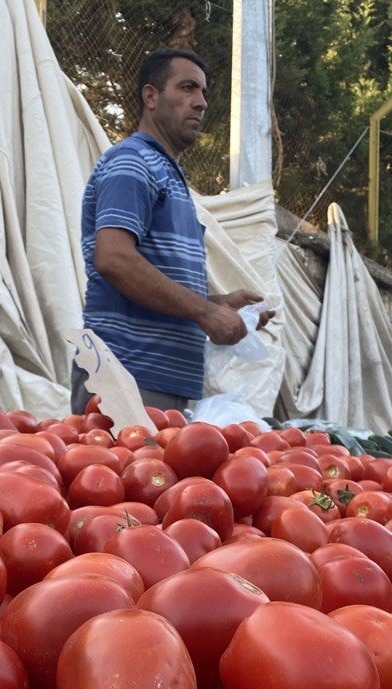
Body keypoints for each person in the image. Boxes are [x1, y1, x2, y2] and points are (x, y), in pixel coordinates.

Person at [73, 49, 273, 415]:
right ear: (151, 96)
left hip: (160, 383)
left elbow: (157, 281)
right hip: (127, 377)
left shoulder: (167, 173)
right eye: (187, 88)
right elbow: (114, 259)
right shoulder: (132, 161)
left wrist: (218, 304)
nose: (200, 103)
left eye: (203, 93)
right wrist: (205, 313)